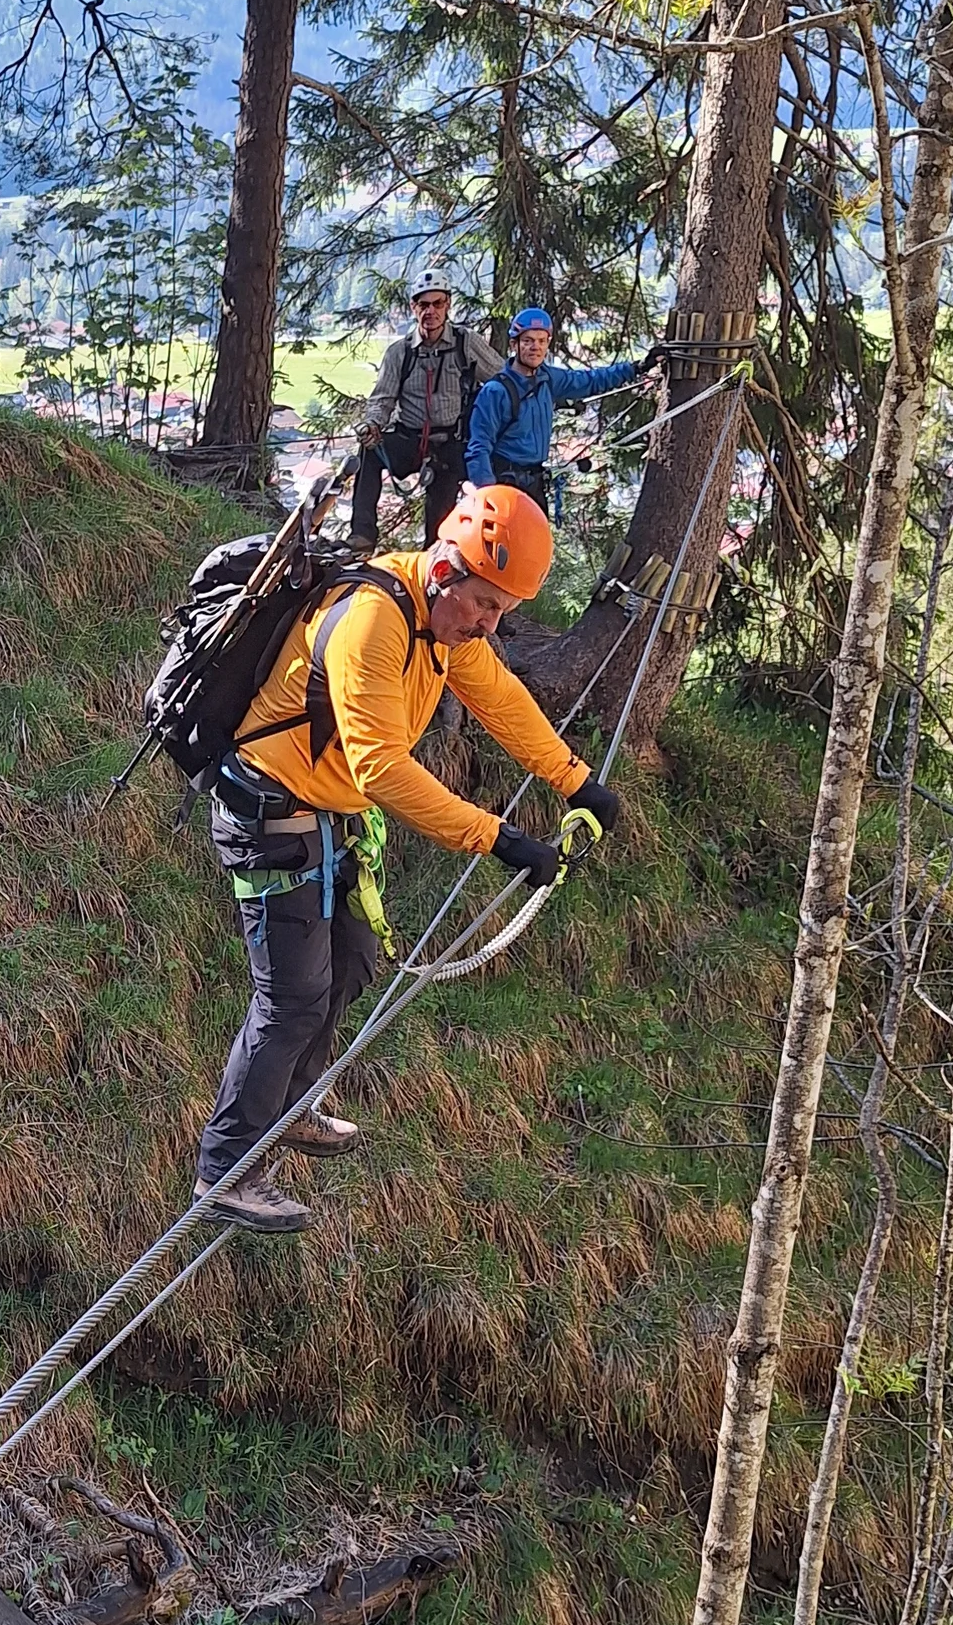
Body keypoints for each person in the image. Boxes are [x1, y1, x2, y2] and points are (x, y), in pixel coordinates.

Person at [193, 486, 619, 1233]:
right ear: (447, 569)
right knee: (292, 996)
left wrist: (575, 778)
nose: (490, 624)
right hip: (268, 814)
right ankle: (226, 1169)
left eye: (500, 610)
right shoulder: (373, 625)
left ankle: (289, 1104)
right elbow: (381, 771)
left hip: (321, 814)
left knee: (354, 960)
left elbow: (503, 700)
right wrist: (499, 838)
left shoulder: (441, 627)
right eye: (485, 605)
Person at [465, 306, 663, 526]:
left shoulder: (548, 379)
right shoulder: (495, 391)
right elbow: (479, 447)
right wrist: (487, 496)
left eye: (542, 341)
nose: (535, 347)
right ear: (514, 345)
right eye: (528, 341)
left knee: (533, 554)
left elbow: (591, 381)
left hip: (534, 484)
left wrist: (637, 368)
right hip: (503, 485)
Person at [350, 276, 501, 550]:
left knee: (437, 531)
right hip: (409, 440)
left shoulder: (466, 344)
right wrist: (372, 424)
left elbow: (503, 380)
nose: (430, 311)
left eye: (437, 303)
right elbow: (382, 398)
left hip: (450, 444)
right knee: (369, 453)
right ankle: (362, 536)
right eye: (423, 304)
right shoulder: (400, 352)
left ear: (448, 304)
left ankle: (434, 568)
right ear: (413, 307)